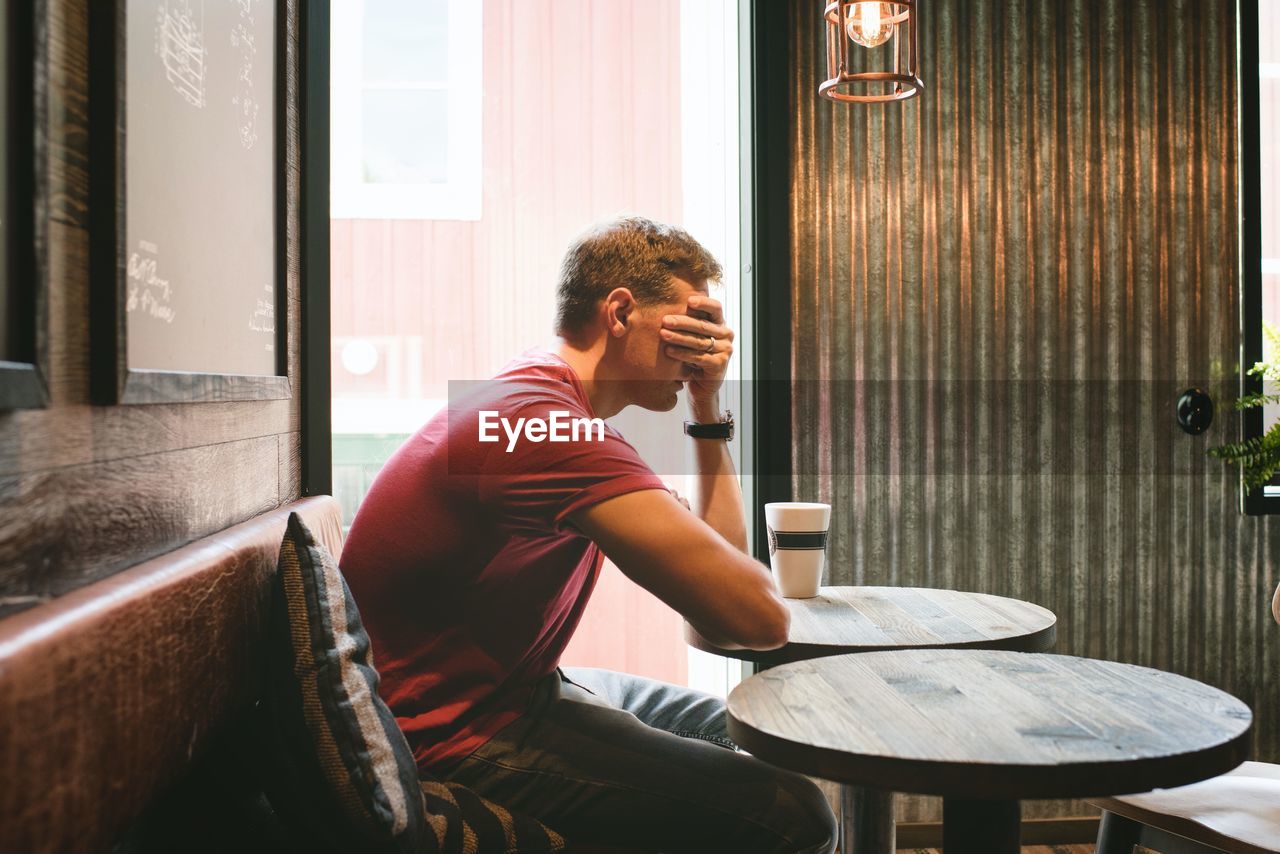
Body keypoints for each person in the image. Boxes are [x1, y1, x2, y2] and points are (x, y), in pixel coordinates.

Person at [341, 216, 838, 853]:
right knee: (793, 814)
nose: (705, 350)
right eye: (692, 327)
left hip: (511, 694)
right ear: (621, 311)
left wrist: (708, 407)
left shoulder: (541, 408)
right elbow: (757, 619)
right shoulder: (546, 429)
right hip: (451, 734)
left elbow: (718, 603)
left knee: (751, 728)